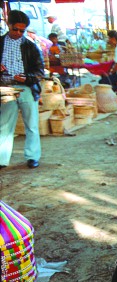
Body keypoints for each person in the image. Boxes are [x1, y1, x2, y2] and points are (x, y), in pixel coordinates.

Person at [0, 10, 44, 170]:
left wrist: (27, 78)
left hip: (26, 89)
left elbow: (40, 72)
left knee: (31, 125)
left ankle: (33, 157)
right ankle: (2, 159)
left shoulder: (31, 46)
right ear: (8, 24)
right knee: (4, 125)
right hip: (6, 89)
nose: (18, 33)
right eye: (15, 29)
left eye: (22, 30)